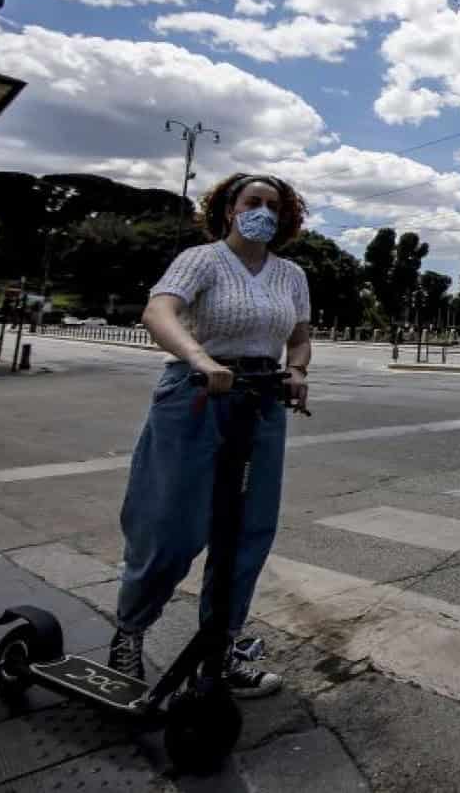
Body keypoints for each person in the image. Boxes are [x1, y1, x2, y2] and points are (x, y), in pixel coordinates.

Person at [107, 173, 312, 698]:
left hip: (261, 399)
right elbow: (159, 311)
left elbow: (299, 338)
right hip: (198, 392)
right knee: (171, 526)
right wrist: (199, 357)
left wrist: (297, 371)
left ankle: (220, 649)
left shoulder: (291, 275)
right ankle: (129, 632)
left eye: (273, 204)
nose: (263, 210)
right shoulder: (202, 260)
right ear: (229, 209)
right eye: (253, 201)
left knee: (247, 531)